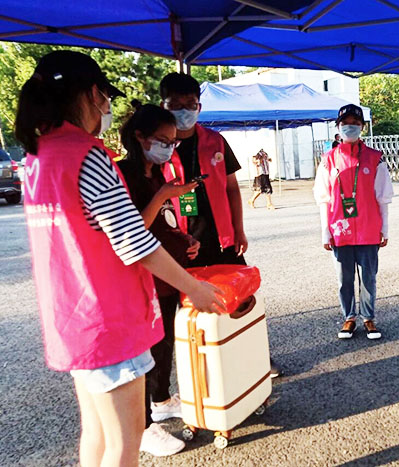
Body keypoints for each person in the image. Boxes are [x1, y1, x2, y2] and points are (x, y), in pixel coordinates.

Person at [15, 51, 224, 467]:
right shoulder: (87, 154)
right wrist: (194, 288)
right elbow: (133, 241)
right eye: (106, 98)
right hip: (108, 320)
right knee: (124, 444)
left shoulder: (37, 157)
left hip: (73, 319)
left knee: (96, 434)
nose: (107, 108)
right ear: (93, 94)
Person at [159, 73, 280, 376]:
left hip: (220, 239)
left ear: (199, 106)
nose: (184, 111)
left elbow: (232, 189)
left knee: (242, 301)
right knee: (182, 314)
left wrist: (239, 230)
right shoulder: (157, 146)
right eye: (176, 104)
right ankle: (199, 374)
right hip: (178, 246)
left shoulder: (215, 141)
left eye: (190, 104)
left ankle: (258, 360)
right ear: (163, 106)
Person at [118, 103, 200, 457]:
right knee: (144, 351)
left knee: (165, 342)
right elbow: (132, 229)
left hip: (167, 276)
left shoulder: (156, 174)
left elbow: (164, 224)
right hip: (142, 277)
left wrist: (186, 240)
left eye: (173, 142)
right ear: (139, 137)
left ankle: (162, 400)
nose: (169, 148)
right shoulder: (123, 174)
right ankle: (143, 426)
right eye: (163, 141)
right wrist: (163, 195)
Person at [313, 104, 393, 340]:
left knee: (368, 277)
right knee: (344, 278)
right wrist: (325, 232)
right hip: (340, 229)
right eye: (345, 123)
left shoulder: (375, 159)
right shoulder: (328, 160)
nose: (350, 127)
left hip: (368, 229)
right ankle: (349, 317)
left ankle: (368, 318)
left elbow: (383, 196)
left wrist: (384, 228)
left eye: (355, 123)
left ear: (362, 127)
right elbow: (323, 198)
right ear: (338, 127)